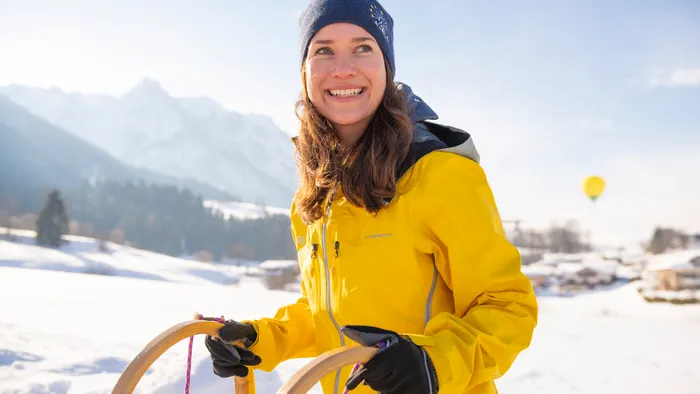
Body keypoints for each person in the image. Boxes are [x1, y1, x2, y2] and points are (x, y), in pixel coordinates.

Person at [204, 0, 539, 393]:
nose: (343, 67)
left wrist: (433, 361)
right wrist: (261, 339)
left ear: (386, 67)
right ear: (305, 71)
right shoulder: (314, 197)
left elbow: (508, 306)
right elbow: (327, 315)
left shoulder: (439, 175)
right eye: (323, 50)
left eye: (363, 47)